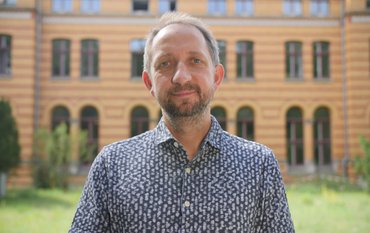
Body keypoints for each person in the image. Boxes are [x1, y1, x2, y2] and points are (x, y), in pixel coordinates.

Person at [69, 12, 295, 232]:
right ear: (149, 82)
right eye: (165, 64)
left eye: (195, 61)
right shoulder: (112, 166)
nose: (181, 77)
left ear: (216, 77)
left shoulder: (259, 166)